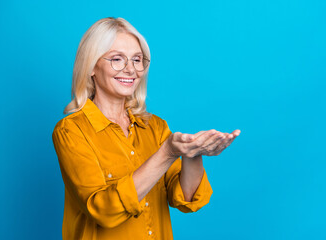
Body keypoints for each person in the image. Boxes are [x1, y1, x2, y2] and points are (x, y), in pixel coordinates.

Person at [52, 17, 241, 240]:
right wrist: (167, 153)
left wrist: (192, 154)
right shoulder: (71, 131)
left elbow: (186, 199)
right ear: (92, 66)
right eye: (117, 59)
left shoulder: (155, 127)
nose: (130, 69)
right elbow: (102, 210)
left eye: (137, 59)